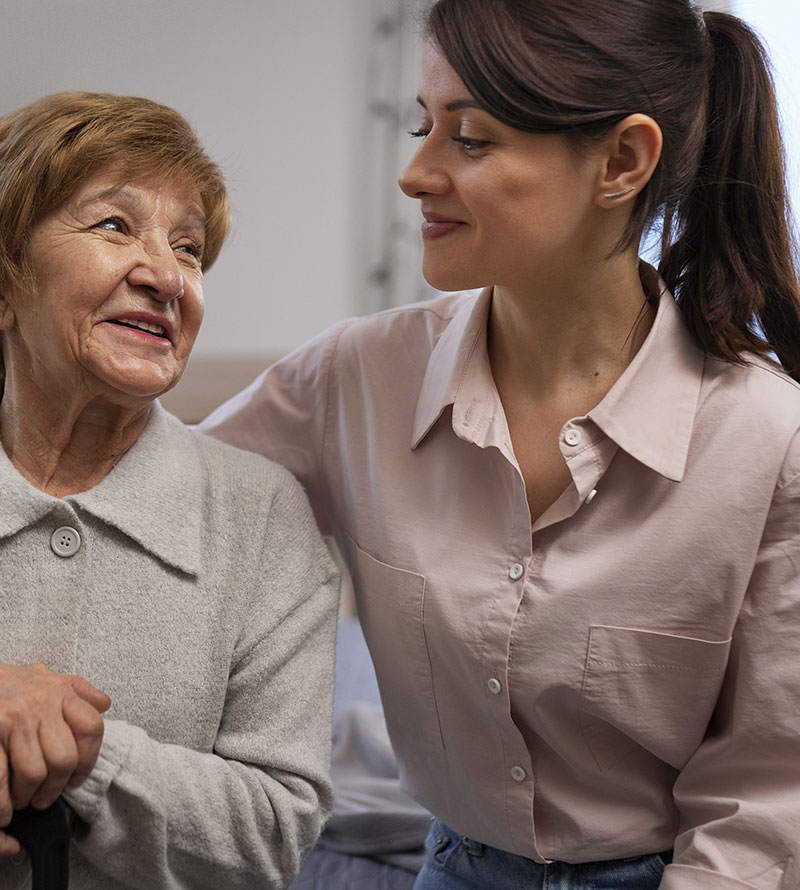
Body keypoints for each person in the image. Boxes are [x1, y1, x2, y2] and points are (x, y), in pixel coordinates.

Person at [201, 1, 800, 887]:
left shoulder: (768, 440)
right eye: (421, 124)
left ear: (623, 161)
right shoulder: (355, 377)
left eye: (470, 139)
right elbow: (163, 519)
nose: (413, 172)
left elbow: (766, 799)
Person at [0, 91, 339, 890]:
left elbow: (273, 833)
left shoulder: (258, 516)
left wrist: (87, 749)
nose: (166, 277)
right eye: (115, 225)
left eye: (188, 249)